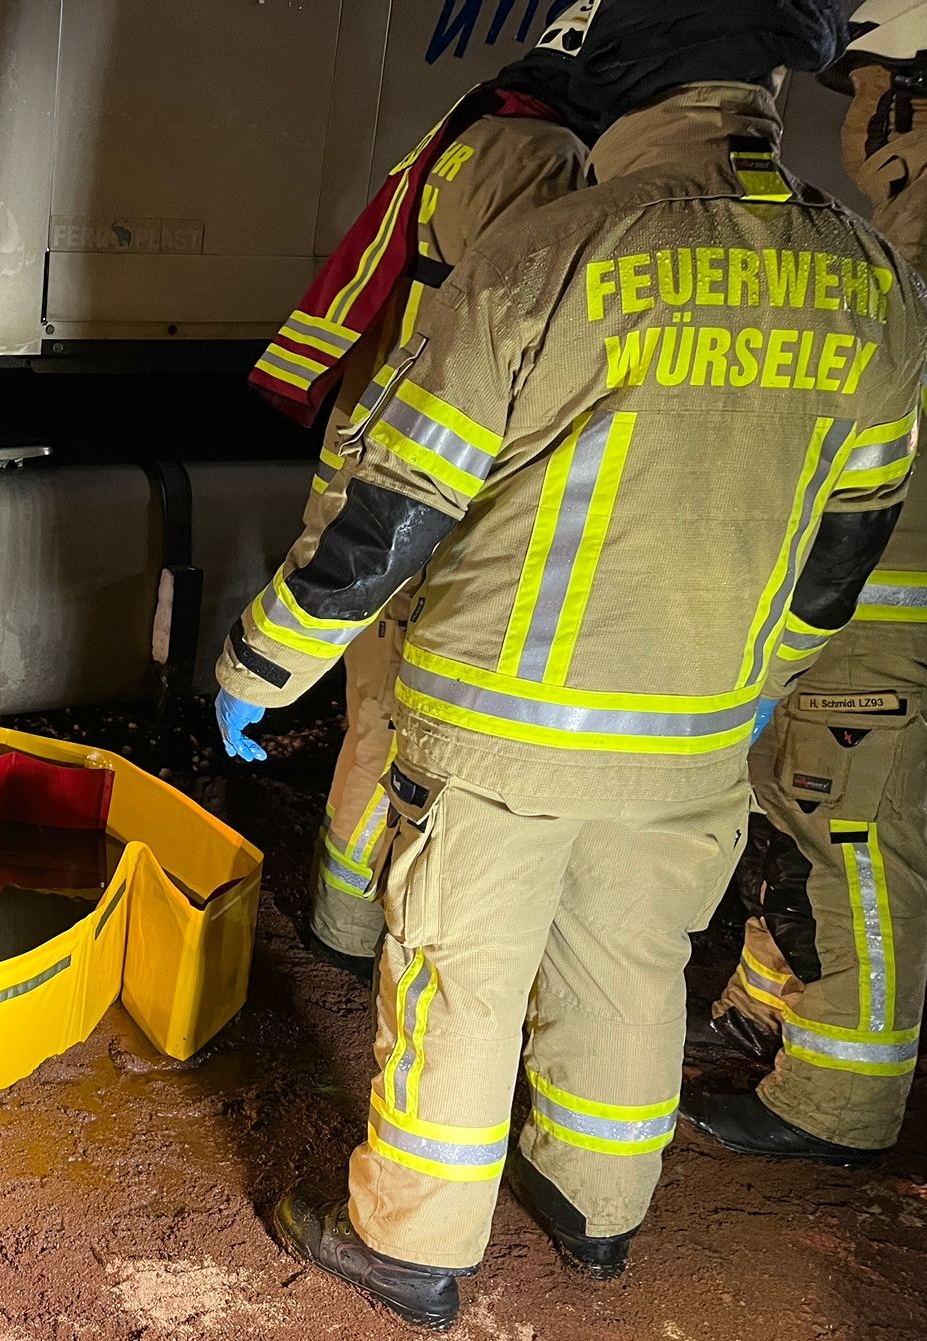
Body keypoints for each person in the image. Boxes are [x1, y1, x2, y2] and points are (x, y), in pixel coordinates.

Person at [214, 0, 926, 1331]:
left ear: (624, 80)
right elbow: (851, 538)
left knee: (462, 979)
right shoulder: (872, 282)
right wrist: (757, 672)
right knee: (632, 969)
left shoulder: (553, 251)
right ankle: (596, 1210)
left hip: (502, 731)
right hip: (699, 735)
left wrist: (263, 663)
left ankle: (411, 1243)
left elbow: (392, 514)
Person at [246, 4, 607, 973]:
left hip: (374, 470)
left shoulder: (470, 134)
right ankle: (373, 934)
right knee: (412, 744)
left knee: (369, 725)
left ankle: (340, 924)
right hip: (435, 509)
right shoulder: (553, 165)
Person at [690, 2, 927, 1163]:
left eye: (869, 90)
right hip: (864, 594)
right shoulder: (905, 213)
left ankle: (837, 1104)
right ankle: (774, 1013)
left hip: (887, 595)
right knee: (805, 812)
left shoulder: (924, 218)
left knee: (859, 844)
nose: (853, 119)